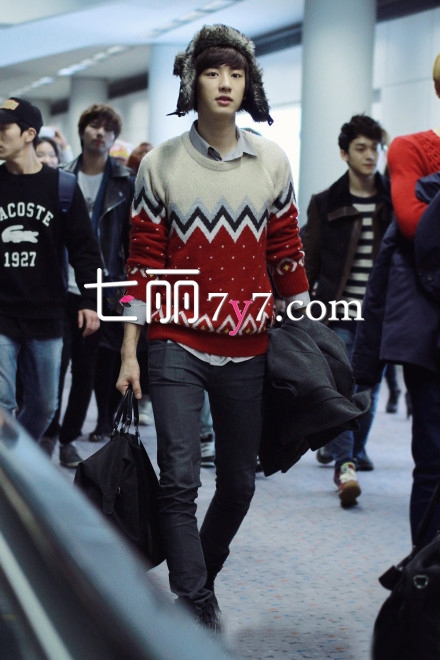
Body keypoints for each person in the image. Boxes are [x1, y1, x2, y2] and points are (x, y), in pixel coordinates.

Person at [116, 23, 309, 630]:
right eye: (211, 71)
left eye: (236, 73)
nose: (225, 83)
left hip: (249, 343)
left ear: (249, 85)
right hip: (176, 341)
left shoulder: (271, 160)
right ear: (192, 83)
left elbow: (286, 250)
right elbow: (142, 266)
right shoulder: (161, 165)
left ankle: (200, 578)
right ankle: (196, 602)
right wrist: (129, 352)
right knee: (178, 480)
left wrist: (309, 331)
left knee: (239, 484)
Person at [352, 53, 440, 544]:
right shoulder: (411, 148)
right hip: (427, 328)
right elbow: (414, 225)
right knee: (433, 459)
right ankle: (426, 577)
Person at [301, 114, 393, 507]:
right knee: (344, 388)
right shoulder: (325, 203)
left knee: (368, 389)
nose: (370, 155)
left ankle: (350, 449)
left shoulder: (394, 201)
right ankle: (345, 464)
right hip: (338, 311)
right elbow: (310, 262)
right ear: (344, 154)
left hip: (381, 315)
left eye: (375, 148)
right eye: (361, 148)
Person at [0, 97, 100, 443]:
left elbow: (85, 250)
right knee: (3, 404)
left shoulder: (62, 187)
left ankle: (16, 457)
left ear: (29, 134)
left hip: (46, 314)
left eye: (4, 129)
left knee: (44, 406)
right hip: (1, 313)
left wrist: (90, 299)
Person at [44, 104, 135, 468]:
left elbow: (130, 242)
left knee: (87, 370)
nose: (100, 133)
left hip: (103, 290)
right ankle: (48, 434)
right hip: (58, 287)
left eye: (107, 129)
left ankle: (68, 438)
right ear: (82, 131)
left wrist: (126, 292)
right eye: (94, 126)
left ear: (114, 138)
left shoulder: (125, 181)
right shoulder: (60, 177)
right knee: (54, 366)